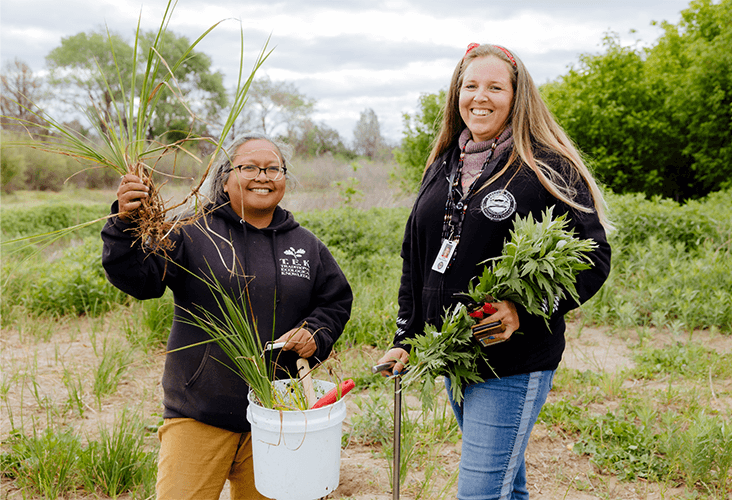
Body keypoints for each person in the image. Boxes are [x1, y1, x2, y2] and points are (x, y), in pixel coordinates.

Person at [377, 43, 612, 500]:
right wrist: (407, 340)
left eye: (494, 87)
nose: (479, 97)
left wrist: (522, 310)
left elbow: (592, 256)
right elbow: (416, 258)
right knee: (506, 484)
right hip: (456, 357)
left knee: (480, 492)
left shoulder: (546, 167)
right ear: (456, 93)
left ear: (517, 95)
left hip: (512, 362)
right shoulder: (444, 164)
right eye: (470, 86)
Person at [102, 132, 353, 500]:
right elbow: (142, 281)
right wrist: (125, 226)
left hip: (277, 418)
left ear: (285, 178)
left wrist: (316, 332)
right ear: (225, 178)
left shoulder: (305, 245)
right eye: (248, 167)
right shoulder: (192, 231)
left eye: (272, 168)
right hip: (198, 415)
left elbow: (335, 301)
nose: (262, 177)